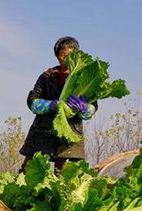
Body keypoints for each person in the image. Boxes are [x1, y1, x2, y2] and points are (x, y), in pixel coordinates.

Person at [19, 36, 97, 174]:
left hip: (70, 130)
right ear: (57, 56)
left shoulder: (85, 77)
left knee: (64, 173)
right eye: (62, 55)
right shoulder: (46, 76)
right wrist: (50, 105)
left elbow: (93, 106)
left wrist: (84, 108)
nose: (65, 59)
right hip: (43, 128)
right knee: (29, 168)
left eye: (70, 55)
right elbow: (32, 100)